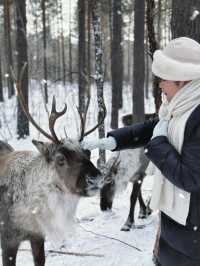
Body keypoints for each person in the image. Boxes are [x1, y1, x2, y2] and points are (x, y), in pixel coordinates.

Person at [81, 37, 200, 266]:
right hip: (177, 231)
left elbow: (191, 178)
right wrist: (113, 140)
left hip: (191, 244)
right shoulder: (181, 105)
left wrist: (158, 144)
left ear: (183, 81)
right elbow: (154, 127)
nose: (160, 85)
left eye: (164, 79)